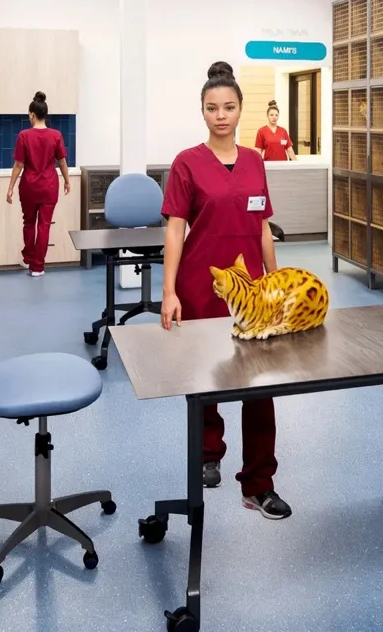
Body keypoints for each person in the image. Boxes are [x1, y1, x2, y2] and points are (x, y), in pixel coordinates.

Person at [159, 61, 289, 520]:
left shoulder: (255, 161)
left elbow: (263, 228)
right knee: (206, 376)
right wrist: (169, 290)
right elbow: (176, 229)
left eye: (229, 107)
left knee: (260, 388)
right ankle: (208, 454)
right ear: (202, 111)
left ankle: (258, 484)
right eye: (212, 108)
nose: (221, 115)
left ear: (240, 110)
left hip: (251, 295)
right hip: (200, 287)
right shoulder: (186, 163)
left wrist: (276, 283)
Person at [5, 91, 69, 278]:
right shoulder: (56, 135)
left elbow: (18, 164)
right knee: (44, 225)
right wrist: (66, 180)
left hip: (29, 187)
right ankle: (38, 267)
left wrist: (10, 187)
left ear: (32, 114)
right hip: (49, 186)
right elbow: (62, 161)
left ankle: (28, 258)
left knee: (29, 222)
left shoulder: (24, 135)